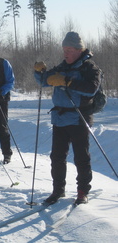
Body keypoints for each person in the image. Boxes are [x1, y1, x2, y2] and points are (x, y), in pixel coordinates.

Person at [34, 32, 102, 205]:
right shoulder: (62, 66)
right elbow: (45, 81)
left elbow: (91, 89)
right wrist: (39, 72)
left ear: (79, 49)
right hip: (60, 118)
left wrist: (68, 82)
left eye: (69, 49)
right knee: (57, 157)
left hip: (79, 117)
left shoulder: (89, 68)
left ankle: (82, 192)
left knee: (81, 157)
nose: (66, 53)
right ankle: (58, 191)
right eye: (64, 49)